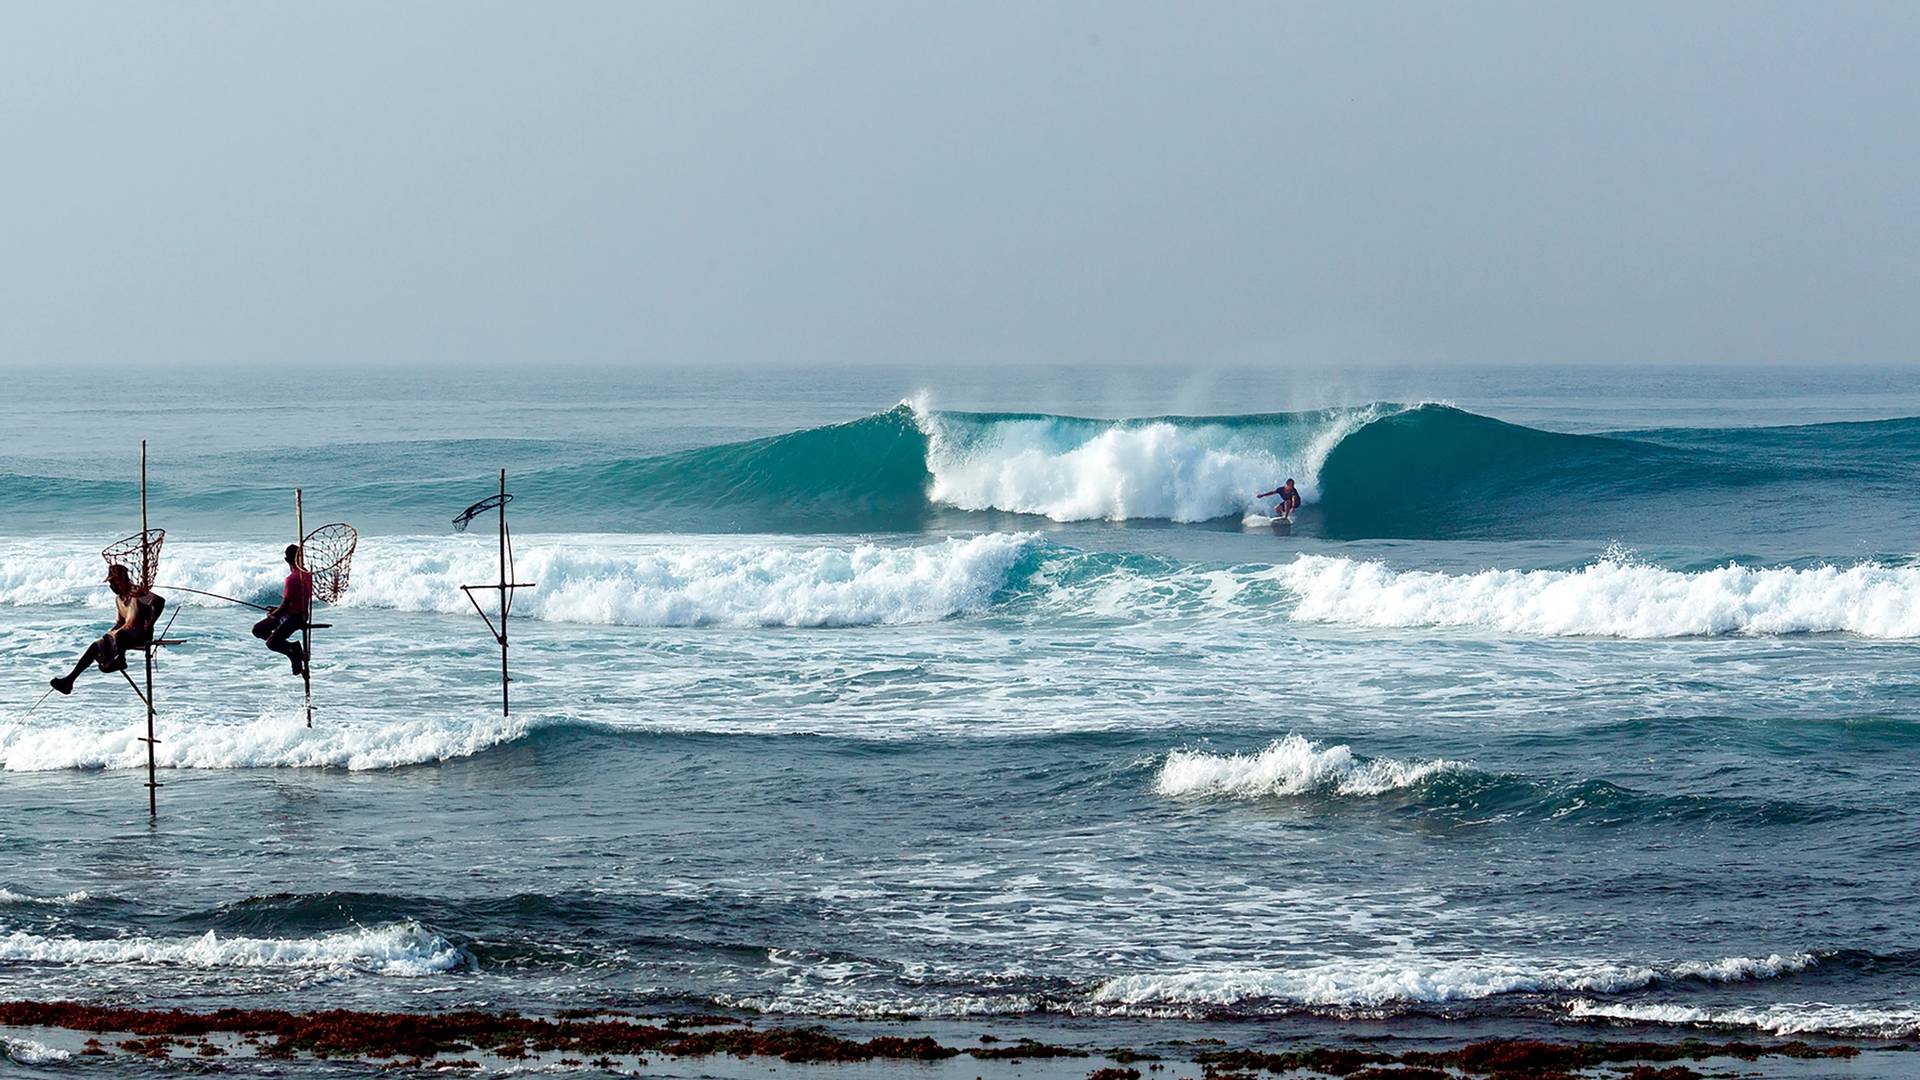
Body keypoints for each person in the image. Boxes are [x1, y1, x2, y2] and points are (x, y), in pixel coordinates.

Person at [49, 565, 166, 695]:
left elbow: (159, 602)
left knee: (120, 635)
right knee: (96, 645)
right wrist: (109, 635)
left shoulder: (137, 593)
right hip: (124, 635)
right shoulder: (119, 599)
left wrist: (149, 625)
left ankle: (121, 660)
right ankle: (69, 681)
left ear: (120, 580)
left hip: (141, 635)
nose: (111, 586)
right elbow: (121, 623)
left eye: (113, 582)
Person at [253, 544, 313, 677]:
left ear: (286, 560)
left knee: (271, 643)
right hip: (294, 614)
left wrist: (274, 613)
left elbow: (285, 605)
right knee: (258, 629)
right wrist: (277, 610)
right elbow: (294, 602)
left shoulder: (291, 579)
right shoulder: (307, 575)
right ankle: (292, 648)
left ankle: (293, 653)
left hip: (295, 617)